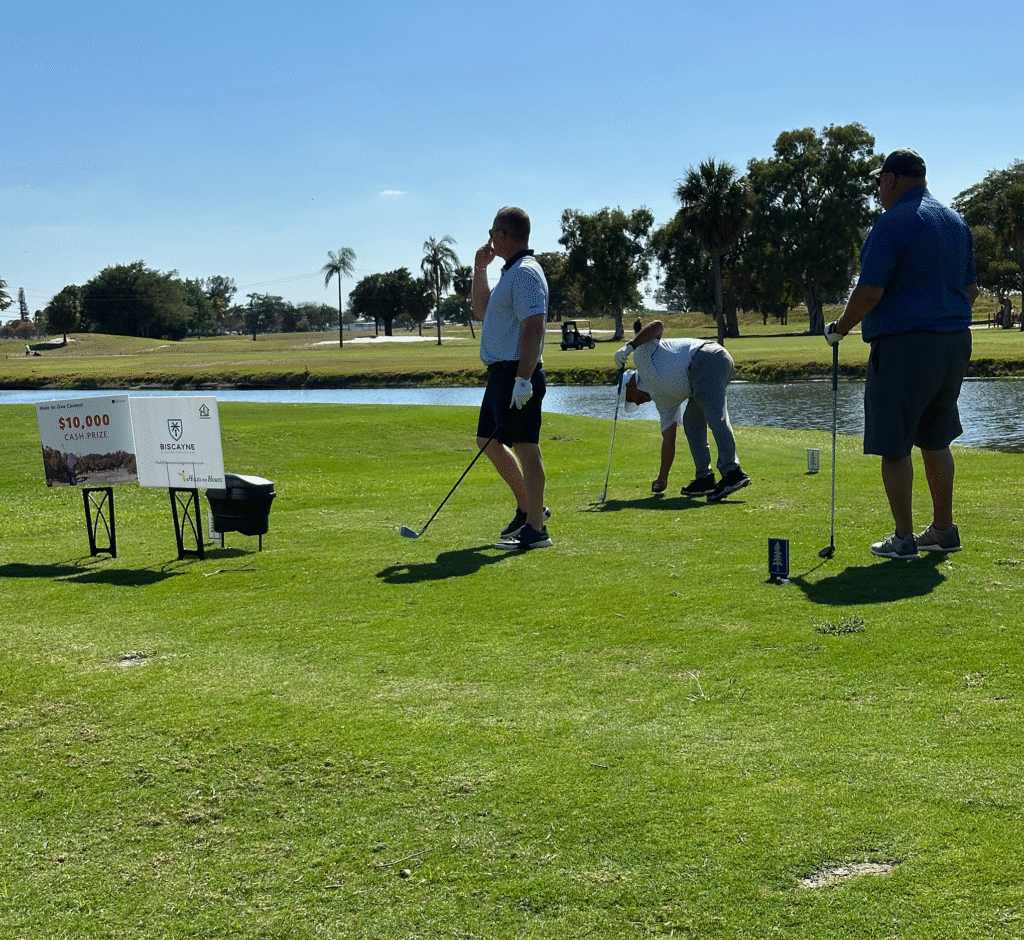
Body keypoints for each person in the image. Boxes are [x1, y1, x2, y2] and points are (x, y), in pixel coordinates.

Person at [824, 149, 978, 558]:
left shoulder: (893, 223)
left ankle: (904, 539)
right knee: (936, 436)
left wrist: (839, 329)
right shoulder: (955, 221)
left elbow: (871, 291)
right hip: (954, 342)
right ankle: (943, 531)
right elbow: (972, 290)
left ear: (892, 180)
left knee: (894, 444)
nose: (877, 190)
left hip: (906, 345)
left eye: (879, 182)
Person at [473, 207, 552, 550]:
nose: (490, 239)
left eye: (493, 233)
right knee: (487, 440)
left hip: (518, 372)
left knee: (525, 447)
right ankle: (528, 509)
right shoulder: (510, 272)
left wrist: (524, 379)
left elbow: (534, 327)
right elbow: (481, 309)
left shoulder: (524, 273)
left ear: (503, 235)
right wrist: (480, 268)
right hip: (502, 374)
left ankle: (536, 530)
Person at [614, 320, 750, 502]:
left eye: (630, 398)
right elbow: (668, 441)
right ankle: (705, 478)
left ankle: (732, 472)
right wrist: (663, 477)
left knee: (715, 416)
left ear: (631, 385)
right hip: (696, 381)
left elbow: (658, 326)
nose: (636, 402)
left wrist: (629, 347)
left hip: (706, 357)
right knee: (692, 425)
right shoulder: (663, 403)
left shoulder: (641, 357)